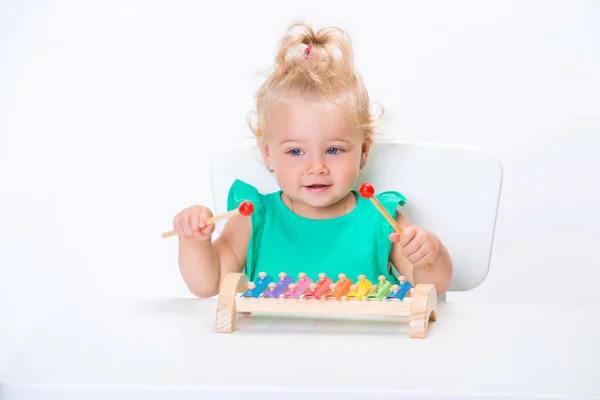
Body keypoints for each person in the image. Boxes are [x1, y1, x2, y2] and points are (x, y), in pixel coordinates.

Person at [172, 22, 453, 298]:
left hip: (365, 343)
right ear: (268, 154)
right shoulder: (253, 217)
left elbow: (431, 286)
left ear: (364, 151)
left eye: (334, 150)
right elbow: (207, 285)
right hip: (268, 344)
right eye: (295, 152)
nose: (316, 167)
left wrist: (429, 255)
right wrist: (195, 243)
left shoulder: (380, 217)